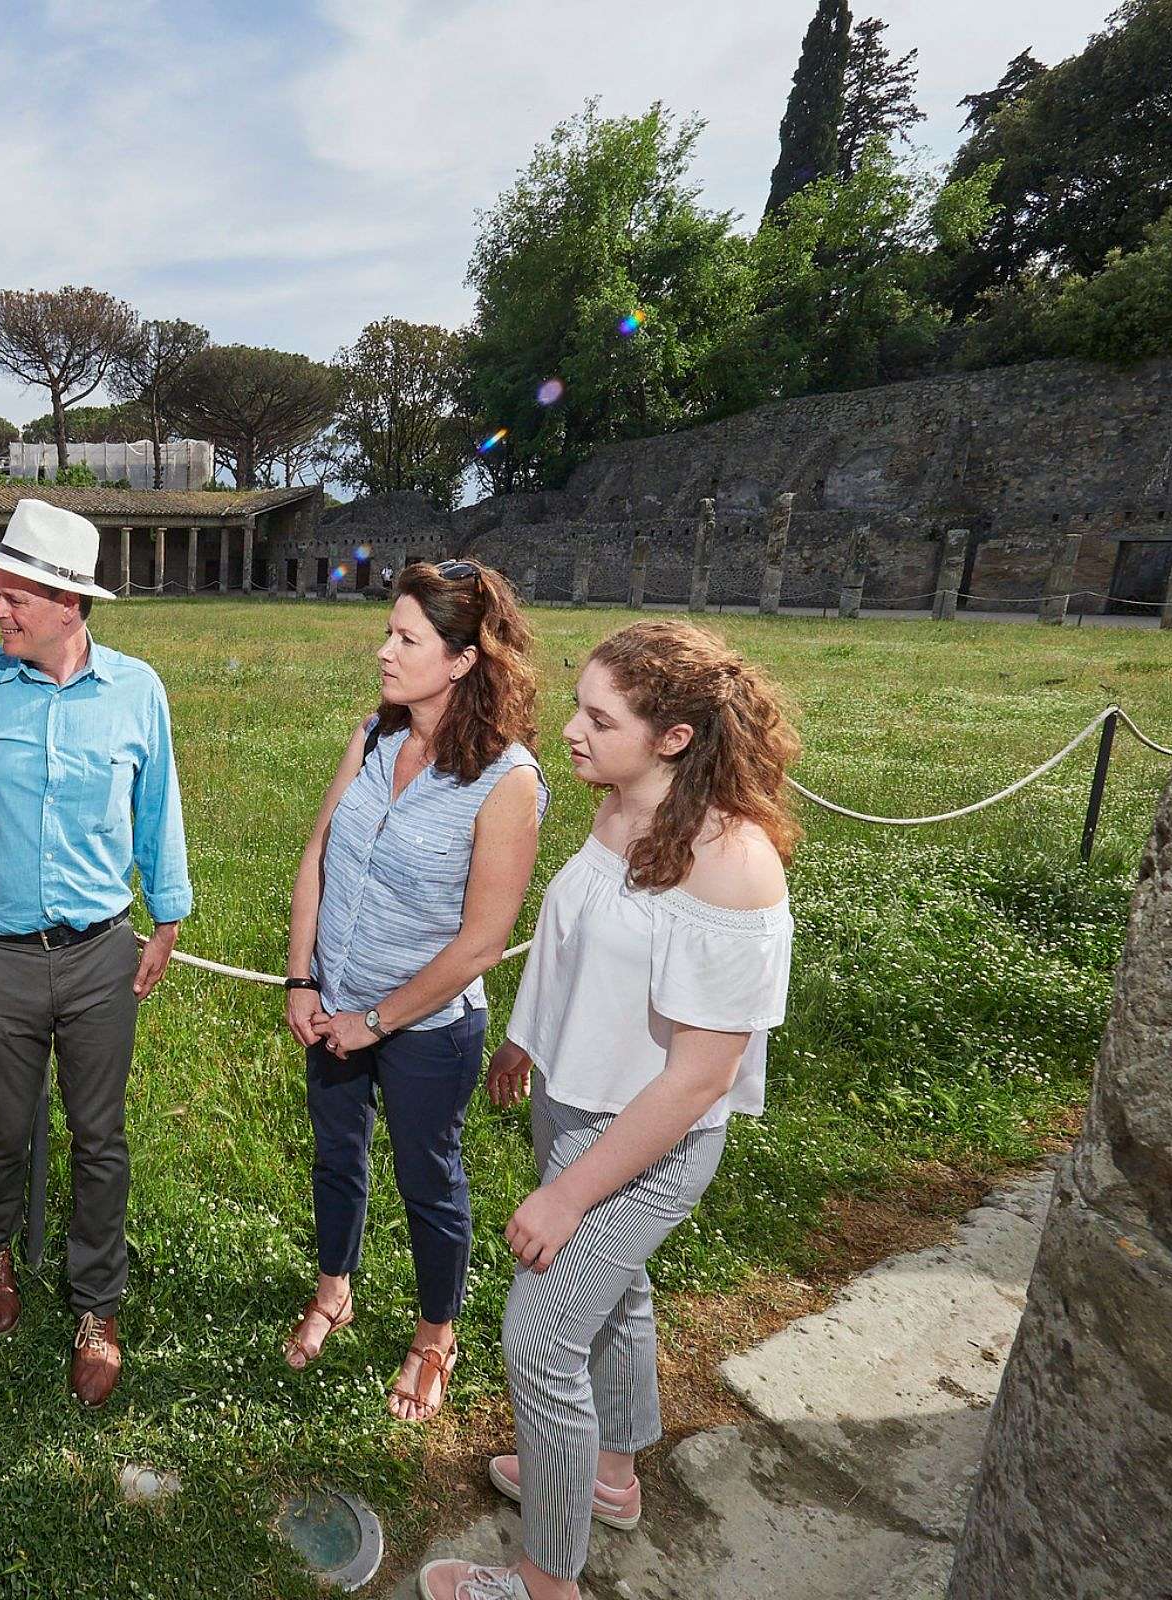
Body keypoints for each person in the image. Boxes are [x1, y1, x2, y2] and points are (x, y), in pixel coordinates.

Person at [419, 619, 798, 1600]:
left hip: (646, 1144)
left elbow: (698, 1077)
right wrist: (528, 1037)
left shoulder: (732, 860)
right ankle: (614, 1477)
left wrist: (567, 1195)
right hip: (574, 1101)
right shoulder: (625, 803)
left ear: (675, 735)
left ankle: (546, 1582)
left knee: (540, 1338)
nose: (572, 733)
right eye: (578, 708)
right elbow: (580, 931)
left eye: (601, 717)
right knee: (615, 1293)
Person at [0, 498, 192, 1407]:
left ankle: (95, 1305)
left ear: (70, 604)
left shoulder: (138, 691)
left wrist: (170, 911)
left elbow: (159, 808)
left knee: (99, 1136)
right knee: (0, 1124)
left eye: (13, 597)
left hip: (103, 954)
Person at [281, 560, 546, 1423]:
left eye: (407, 639)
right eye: (388, 632)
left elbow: (482, 942)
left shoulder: (507, 781)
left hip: (429, 1031)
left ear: (464, 660)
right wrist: (302, 977)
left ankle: (436, 1337)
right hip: (333, 1002)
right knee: (335, 1157)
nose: (384, 652)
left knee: (427, 1179)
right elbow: (318, 853)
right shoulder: (373, 735)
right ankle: (334, 1291)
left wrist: (376, 1022)